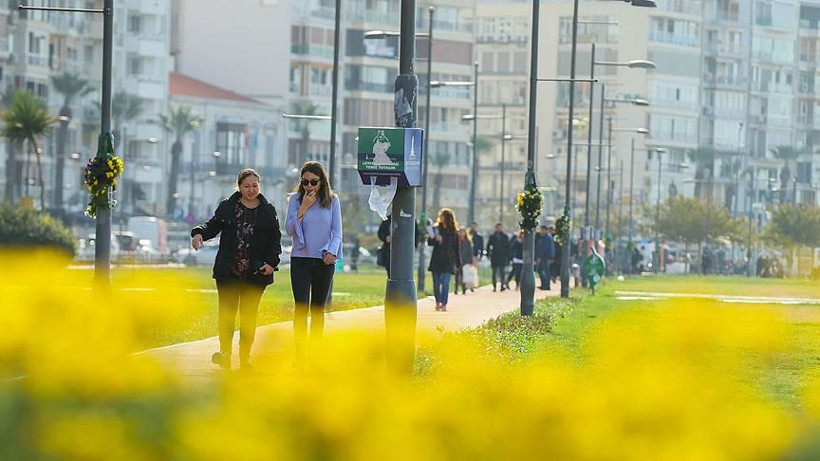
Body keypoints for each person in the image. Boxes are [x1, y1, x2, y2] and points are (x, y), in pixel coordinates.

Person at [191, 168, 282, 371]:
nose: (251, 190)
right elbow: (212, 225)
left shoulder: (268, 211)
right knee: (227, 313)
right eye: (247, 186)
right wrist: (198, 234)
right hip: (229, 271)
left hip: (255, 273)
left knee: (249, 316)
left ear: (260, 186)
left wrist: (271, 262)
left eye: (255, 186)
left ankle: (245, 358)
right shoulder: (228, 207)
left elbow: (275, 240)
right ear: (239, 187)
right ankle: (225, 353)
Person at [285, 161, 342, 368]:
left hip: (324, 260)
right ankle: (300, 356)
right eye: (305, 182)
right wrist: (303, 208)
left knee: (317, 309)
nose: (309, 186)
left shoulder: (332, 201)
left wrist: (331, 251)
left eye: (314, 182)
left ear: (322, 181)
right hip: (300, 259)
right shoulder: (295, 200)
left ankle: (315, 355)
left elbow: (337, 232)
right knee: (301, 308)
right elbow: (290, 229)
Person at [428, 208, 461, 311]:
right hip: (437, 259)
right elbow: (430, 242)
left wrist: (458, 263)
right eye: (440, 215)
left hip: (448, 260)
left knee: (445, 283)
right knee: (436, 284)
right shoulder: (436, 228)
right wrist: (435, 239)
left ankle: (444, 304)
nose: (440, 217)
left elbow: (456, 248)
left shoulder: (453, 231)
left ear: (447, 217)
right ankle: (438, 301)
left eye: (442, 215)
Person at [486, 222, 511, 291]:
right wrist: (488, 254)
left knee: (502, 272)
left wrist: (508, 256)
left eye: (500, 227)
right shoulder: (492, 236)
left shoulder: (505, 236)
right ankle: (494, 286)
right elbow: (488, 246)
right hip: (494, 256)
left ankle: (502, 285)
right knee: (494, 272)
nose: (499, 229)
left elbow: (508, 247)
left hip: (502, 256)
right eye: (498, 227)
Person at [454, 228, 475, 295]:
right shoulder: (456, 240)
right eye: (460, 232)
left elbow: (470, 252)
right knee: (457, 275)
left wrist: (471, 260)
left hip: (465, 260)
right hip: (457, 260)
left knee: (464, 275)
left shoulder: (468, 241)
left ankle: (464, 288)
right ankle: (456, 289)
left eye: (463, 232)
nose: (461, 233)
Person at [535, 225, 556, 290]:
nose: (541, 231)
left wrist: (539, 257)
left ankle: (546, 285)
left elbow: (544, 248)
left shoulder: (546, 237)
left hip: (545, 257)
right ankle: (544, 284)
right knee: (542, 270)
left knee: (544, 270)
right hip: (546, 256)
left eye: (542, 230)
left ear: (545, 230)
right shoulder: (547, 237)